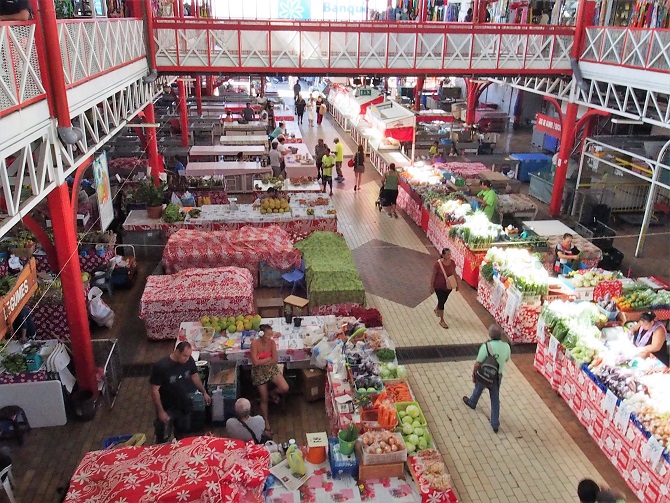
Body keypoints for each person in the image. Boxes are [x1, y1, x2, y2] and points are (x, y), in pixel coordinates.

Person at [150, 342, 211, 443]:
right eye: (184, 356)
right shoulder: (161, 367)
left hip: (183, 404)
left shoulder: (189, 361)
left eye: (189, 356)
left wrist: (204, 392)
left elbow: (194, 376)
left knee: (183, 432)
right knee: (163, 435)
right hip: (168, 406)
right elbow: (154, 390)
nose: (187, 359)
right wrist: (161, 411)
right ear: (177, 352)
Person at [462, 324, 511, 433]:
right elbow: (507, 359)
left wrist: (474, 375)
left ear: (490, 335)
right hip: (497, 376)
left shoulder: (486, 346)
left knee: (478, 388)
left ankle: (472, 402)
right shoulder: (506, 346)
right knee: (495, 398)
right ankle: (495, 423)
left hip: (484, 374)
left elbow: (478, 363)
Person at [250, 324, 289, 436]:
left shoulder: (271, 343)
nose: (270, 337)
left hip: (271, 369)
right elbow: (255, 362)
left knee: (285, 387)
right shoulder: (254, 344)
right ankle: (266, 423)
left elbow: (275, 359)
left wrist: (263, 360)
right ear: (262, 334)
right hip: (259, 372)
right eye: (268, 335)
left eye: (271, 334)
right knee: (264, 398)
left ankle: (272, 392)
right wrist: (268, 359)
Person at [430, 248, 460, 329]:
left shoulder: (452, 263)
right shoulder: (438, 264)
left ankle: (437, 308)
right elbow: (433, 275)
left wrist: (457, 284)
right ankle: (442, 320)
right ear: (443, 255)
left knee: (443, 299)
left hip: (448, 286)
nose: (449, 256)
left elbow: (454, 273)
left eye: (450, 254)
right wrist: (431, 286)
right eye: (448, 254)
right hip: (438, 286)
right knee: (442, 302)